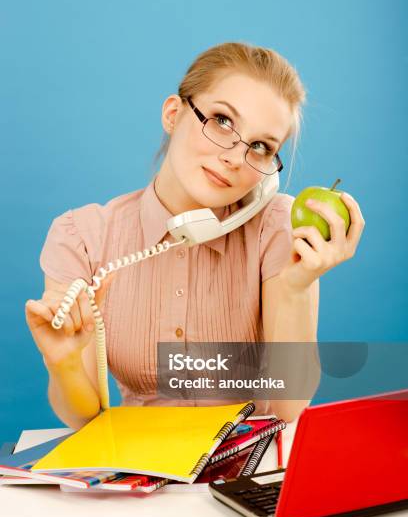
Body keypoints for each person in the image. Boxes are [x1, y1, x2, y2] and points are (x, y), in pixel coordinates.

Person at [25, 42, 365, 430]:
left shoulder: (279, 227)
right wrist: (64, 362)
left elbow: (289, 410)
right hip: (140, 470)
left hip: (245, 471)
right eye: (222, 120)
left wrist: (296, 286)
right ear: (173, 114)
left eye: (260, 146)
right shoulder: (84, 237)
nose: (235, 158)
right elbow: (84, 419)